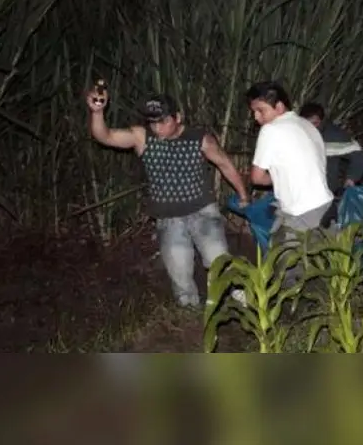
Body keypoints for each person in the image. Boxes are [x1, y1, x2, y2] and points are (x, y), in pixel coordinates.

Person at [86, 89, 247, 308]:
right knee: (179, 272)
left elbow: (225, 164)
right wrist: (97, 112)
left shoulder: (199, 138)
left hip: (202, 210)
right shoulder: (141, 137)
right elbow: (105, 136)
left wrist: (243, 194)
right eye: (153, 122)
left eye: (163, 121)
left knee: (219, 259)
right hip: (168, 218)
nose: (157, 127)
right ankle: (189, 316)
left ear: (177, 117)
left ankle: (244, 300)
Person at [246, 82, 334, 266]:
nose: (256, 117)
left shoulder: (271, 129)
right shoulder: (307, 124)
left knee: (286, 268)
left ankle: (270, 293)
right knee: (316, 262)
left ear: (279, 106)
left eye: (261, 111)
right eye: (253, 111)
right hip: (325, 204)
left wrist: (275, 178)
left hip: (301, 211)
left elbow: (257, 177)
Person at [297, 102, 363, 226]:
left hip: (327, 192)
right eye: (307, 124)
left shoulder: (334, 136)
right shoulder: (294, 134)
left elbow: (358, 155)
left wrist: (351, 179)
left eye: (315, 123)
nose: (311, 128)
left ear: (322, 121)